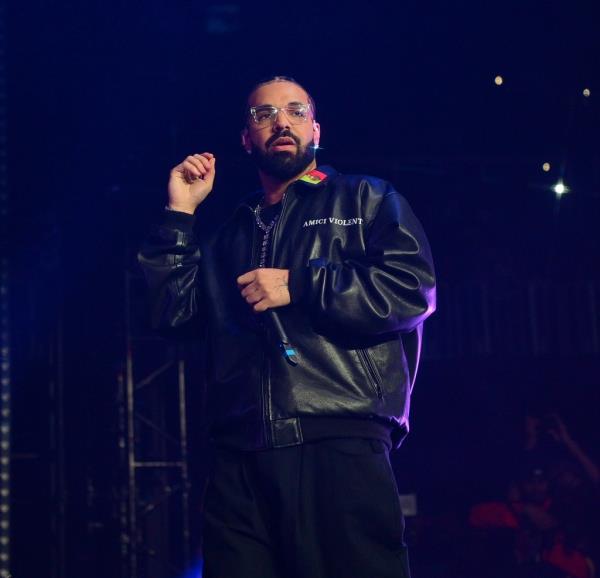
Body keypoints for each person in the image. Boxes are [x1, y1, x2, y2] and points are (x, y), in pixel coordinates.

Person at [139, 76, 436, 578]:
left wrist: (300, 284)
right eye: (264, 115)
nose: (281, 122)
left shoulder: (365, 199)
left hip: (339, 439)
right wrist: (179, 214)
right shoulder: (232, 229)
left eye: (295, 112)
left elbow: (412, 289)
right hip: (241, 455)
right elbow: (173, 314)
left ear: (315, 129)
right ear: (246, 140)